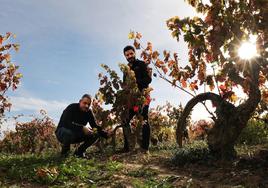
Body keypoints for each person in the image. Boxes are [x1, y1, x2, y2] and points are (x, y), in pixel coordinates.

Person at [122, 45, 152, 153]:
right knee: (125, 120)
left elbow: (148, 79)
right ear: (125, 56)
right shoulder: (125, 69)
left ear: (134, 53)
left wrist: (135, 82)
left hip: (143, 96)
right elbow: (124, 84)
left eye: (131, 53)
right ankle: (127, 147)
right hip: (131, 99)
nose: (129, 56)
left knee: (144, 119)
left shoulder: (141, 64)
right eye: (127, 55)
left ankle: (145, 148)